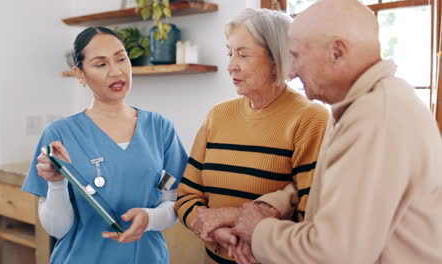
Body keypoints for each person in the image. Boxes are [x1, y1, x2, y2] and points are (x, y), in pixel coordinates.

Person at [231, 1, 442, 263]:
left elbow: (334, 254)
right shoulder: (359, 106)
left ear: (337, 52)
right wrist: (278, 202)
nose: (292, 71)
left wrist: (260, 232)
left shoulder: (376, 117)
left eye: (297, 56)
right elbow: (332, 187)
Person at [174, 8, 329, 264]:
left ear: (277, 59)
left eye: (243, 54)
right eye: (230, 53)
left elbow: (310, 210)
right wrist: (216, 232)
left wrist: (232, 216)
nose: (231, 65)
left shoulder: (311, 118)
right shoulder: (218, 116)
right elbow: (187, 195)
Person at [22, 27, 188, 264]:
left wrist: (149, 218)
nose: (116, 71)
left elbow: (173, 201)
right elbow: (57, 229)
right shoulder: (59, 134)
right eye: (101, 65)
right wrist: (57, 184)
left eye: (121, 59)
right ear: (80, 74)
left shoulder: (160, 129)